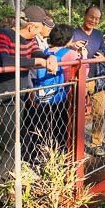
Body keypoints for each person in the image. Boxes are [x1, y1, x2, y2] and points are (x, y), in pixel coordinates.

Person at [0, 5, 58, 182]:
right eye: (40, 28)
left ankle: (9, 179)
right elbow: (5, 60)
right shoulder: (1, 35)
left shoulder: (30, 40)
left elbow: (38, 52)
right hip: (2, 97)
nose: (40, 34)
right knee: (5, 144)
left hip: (20, 95)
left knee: (15, 140)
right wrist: (39, 61)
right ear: (31, 27)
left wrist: (50, 57)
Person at [32, 24, 80, 153]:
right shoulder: (71, 54)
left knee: (44, 125)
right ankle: (61, 153)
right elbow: (81, 73)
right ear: (68, 40)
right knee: (61, 126)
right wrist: (84, 56)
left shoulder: (45, 52)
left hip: (43, 95)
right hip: (61, 96)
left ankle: (42, 152)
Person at [71, 5, 105, 157]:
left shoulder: (99, 34)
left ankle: (96, 144)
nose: (93, 20)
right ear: (84, 15)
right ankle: (75, 142)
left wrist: (103, 56)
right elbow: (61, 47)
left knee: (99, 112)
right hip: (78, 78)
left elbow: (103, 50)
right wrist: (71, 45)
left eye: (97, 18)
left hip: (97, 78)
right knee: (76, 112)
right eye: (91, 17)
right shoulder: (74, 33)